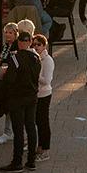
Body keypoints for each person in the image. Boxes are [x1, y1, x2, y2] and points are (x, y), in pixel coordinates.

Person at [0, 29, 41, 173]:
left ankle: (17, 162)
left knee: (18, 130)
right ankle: (31, 161)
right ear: (30, 42)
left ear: (18, 42)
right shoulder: (36, 57)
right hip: (32, 96)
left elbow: (10, 79)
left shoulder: (15, 58)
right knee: (31, 127)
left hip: (17, 98)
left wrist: (3, 76)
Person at [32, 32, 55, 163]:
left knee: (43, 122)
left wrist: (35, 75)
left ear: (44, 46)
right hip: (36, 94)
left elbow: (47, 80)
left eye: (38, 45)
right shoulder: (35, 58)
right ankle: (39, 147)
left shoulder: (48, 61)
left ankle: (45, 149)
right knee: (37, 121)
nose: (36, 47)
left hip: (44, 94)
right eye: (34, 44)